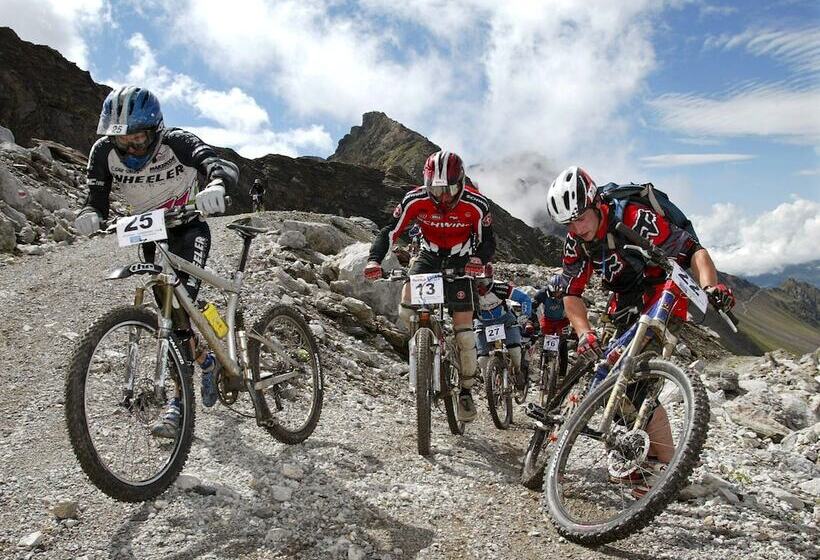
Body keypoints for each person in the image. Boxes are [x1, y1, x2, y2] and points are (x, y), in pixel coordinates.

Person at [545, 165, 735, 491]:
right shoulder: (576, 240)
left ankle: (667, 468)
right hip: (624, 298)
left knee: (636, 382)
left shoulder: (633, 217)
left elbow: (693, 250)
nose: (575, 228)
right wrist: (583, 332)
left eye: (579, 218)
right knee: (611, 376)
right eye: (567, 223)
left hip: (664, 290)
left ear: (595, 204)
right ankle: (634, 456)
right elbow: (571, 293)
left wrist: (710, 287)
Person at [74, 85, 238, 438]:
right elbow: (96, 200)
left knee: (180, 312)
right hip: (149, 235)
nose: (131, 149)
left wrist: (216, 185)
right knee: (171, 315)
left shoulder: (176, 142)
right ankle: (207, 360)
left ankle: (178, 405)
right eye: (123, 142)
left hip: (187, 229)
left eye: (138, 140)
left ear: (156, 130)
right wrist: (89, 213)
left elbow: (217, 164)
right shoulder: (103, 153)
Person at [363, 150, 496, 422]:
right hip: (429, 256)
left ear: (461, 182)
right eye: (435, 189)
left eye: (449, 189)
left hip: (462, 258)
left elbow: (488, 240)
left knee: (465, 333)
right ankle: (425, 350)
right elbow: (390, 230)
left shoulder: (477, 204)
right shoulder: (414, 199)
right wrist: (374, 260)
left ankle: (466, 391)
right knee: (406, 307)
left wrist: (477, 260)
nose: (443, 196)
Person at [474, 265, 533, 398]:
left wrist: (525, 315)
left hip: (504, 319)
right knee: (482, 358)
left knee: (514, 349)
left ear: (491, 280)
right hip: (482, 321)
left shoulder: (501, 288)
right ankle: (487, 386)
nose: (480, 286)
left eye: (484, 282)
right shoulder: (470, 292)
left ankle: (517, 371)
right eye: (477, 282)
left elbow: (525, 298)